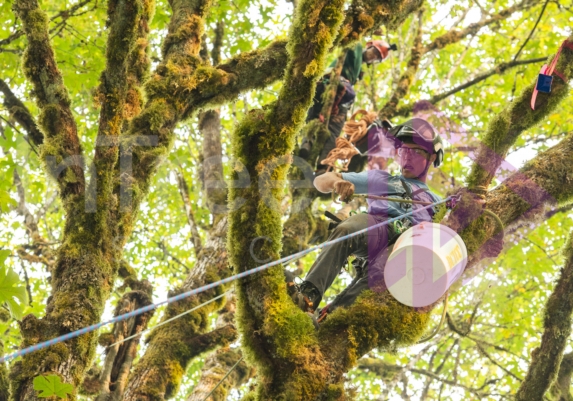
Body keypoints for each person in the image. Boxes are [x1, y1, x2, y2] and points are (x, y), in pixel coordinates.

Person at [288, 118, 445, 321]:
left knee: (380, 274)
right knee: (349, 230)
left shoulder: (438, 201)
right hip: (378, 227)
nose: (406, 157)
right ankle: (308, 296)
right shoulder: (381, 179)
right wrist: (338, 183)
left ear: (431, 157)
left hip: (408, 246)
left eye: (414, 151)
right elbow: (320, 181)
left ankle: (328, 320)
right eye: (403, 151)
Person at [300, 40, 398, 169]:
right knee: (313, 117)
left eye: (377, 58)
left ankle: (324, 165)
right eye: (374, 52)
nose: (373, 57)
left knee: (335, 131)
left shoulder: (358, 72)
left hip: (341, 98)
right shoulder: (356, 46)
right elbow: (353, 35)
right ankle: (307, 144)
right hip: (329, 83)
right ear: (368, 46)